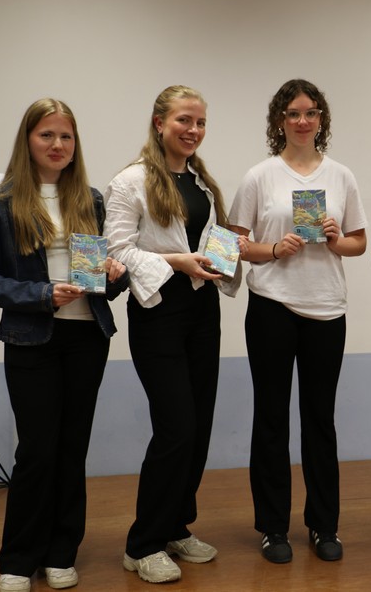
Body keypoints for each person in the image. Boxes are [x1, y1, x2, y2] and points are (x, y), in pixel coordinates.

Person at [0, 98, 130, 592]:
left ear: (75, 144)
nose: (57, 145)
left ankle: (62, 552)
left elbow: (105, 282)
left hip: (86, 338)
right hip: (32, 339)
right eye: (47, 135)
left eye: (66, 136)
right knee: (37, 451)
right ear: (28, 140)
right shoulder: (0, 204)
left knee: (72, 449)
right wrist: (40, 294)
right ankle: (19, 558)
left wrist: (114, 274)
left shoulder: (91, 200)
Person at [104, 85, 245, 585]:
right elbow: (116, 251)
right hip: (159, 313)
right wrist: (177, 261)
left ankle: (175, 525)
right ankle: (142, 544)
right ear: (159, 122)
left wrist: (226, 254)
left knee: (199, 425)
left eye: (200, 122)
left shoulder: (202, 183)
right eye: (185, 120)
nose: (194, 130)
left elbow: (209, 242)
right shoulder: (131, 181)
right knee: (176, 427)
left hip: (202, 312)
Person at [227, 78, 367, 564]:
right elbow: (232, 243)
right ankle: (273, 528)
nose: (302, 121)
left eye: (310, 113)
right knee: (270, 419)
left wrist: (335, 239)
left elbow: (359, 242)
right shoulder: (260, 176)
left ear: (320, 119)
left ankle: (324, 525)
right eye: (293, 113)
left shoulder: (341, 176)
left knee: (320, 421)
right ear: (279, 121)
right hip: (271, 306)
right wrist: (271, 249)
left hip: (327, 308)